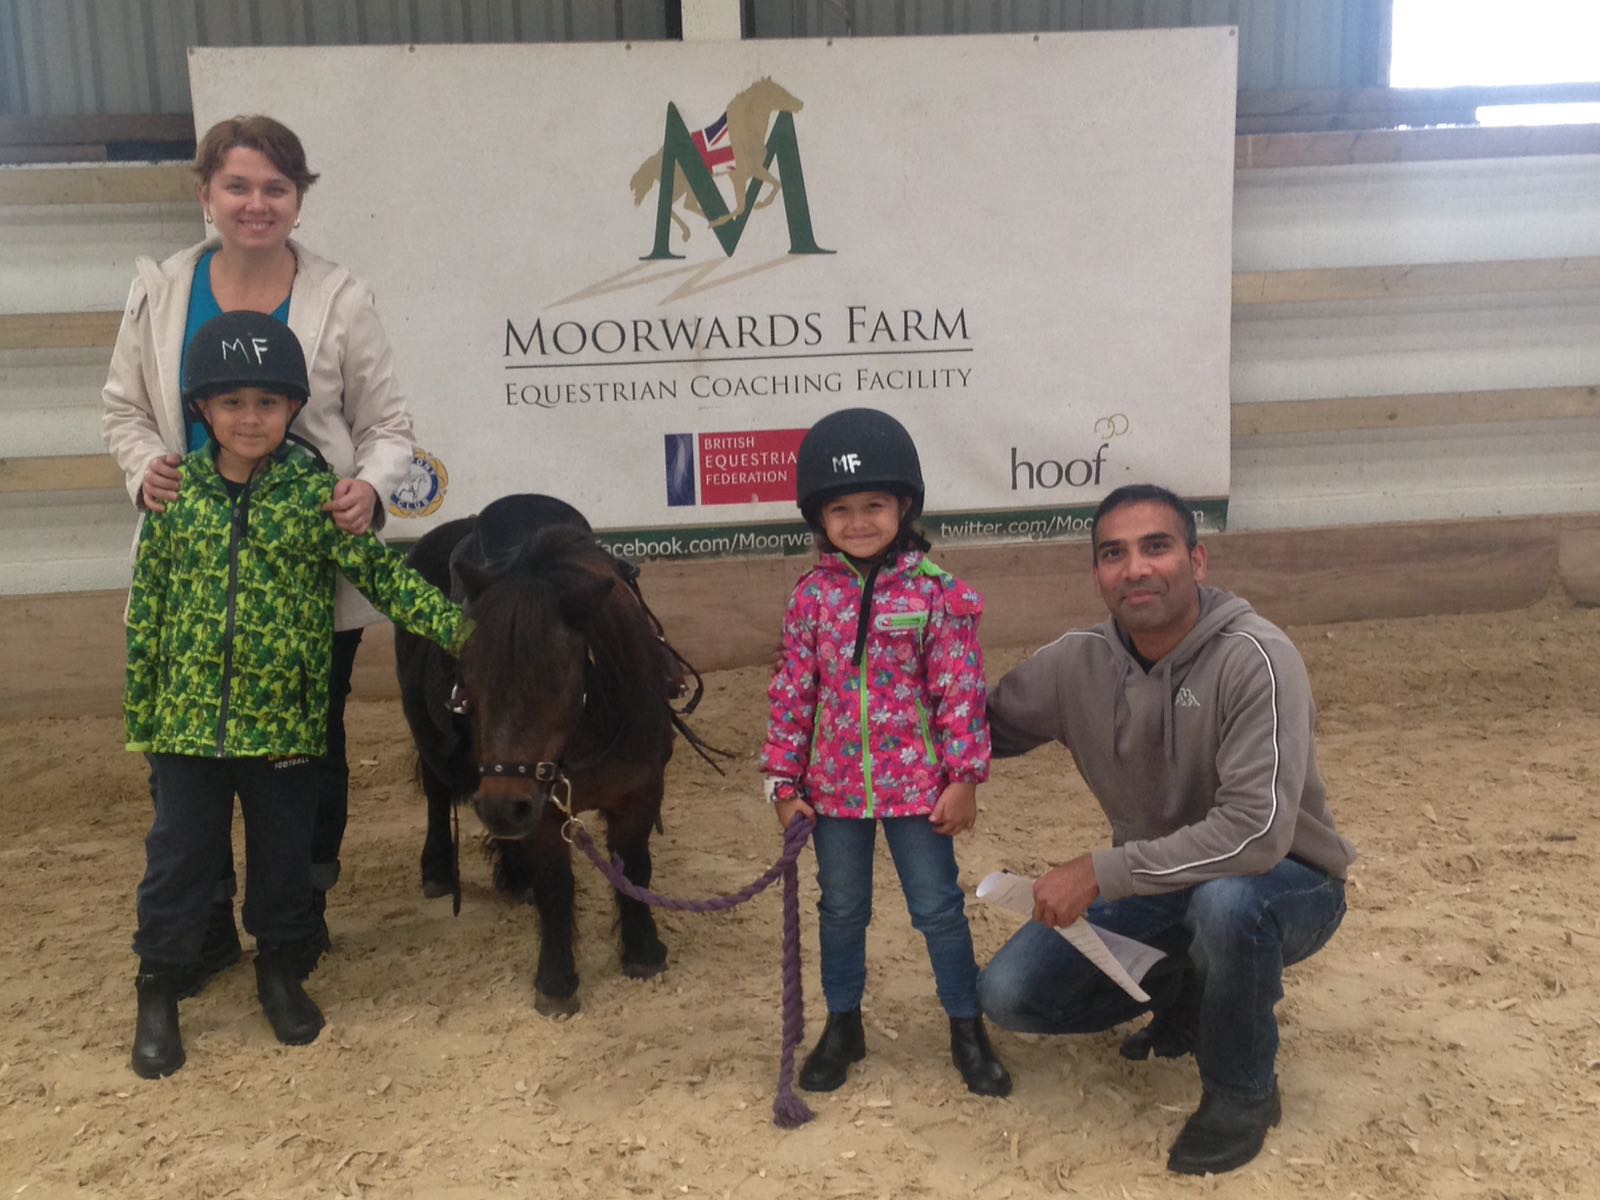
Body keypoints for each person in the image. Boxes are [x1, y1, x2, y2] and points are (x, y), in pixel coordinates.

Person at [102, 115, 416, 983]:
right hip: (191, 567)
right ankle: (201, 917)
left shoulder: (340, 299)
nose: (255, 204)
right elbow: (123, 409)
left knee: (307, 746)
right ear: (205, 194)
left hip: (303, 567)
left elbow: (386, 427)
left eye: (275, 188)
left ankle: (297, 914)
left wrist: (372, 487)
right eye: (237, 186)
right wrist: (144, 470)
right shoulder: (162, 291)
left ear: (299, 199)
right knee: (186, 752)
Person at [125, 311, 468, 1079]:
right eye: (231, 403)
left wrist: (464, 635)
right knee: (179, 858)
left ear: (291, 411)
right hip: (187, 731)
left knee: (282, 857)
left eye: (268, 404)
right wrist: (145, 711)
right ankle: (158, 987)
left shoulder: (316, 496)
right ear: (203, 410)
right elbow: (147, 607)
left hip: (283, 727)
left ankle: (279, 968)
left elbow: (382, 580)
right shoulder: (176, 498)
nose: (250, 419)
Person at [978, 484, 1356, 1174]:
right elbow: (976, 730)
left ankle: (1242, 1092)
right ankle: (1187, 988)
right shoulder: (1075, 663)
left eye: (1157, 546)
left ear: (1198, 560)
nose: (1136, 568)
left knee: (1228, 904)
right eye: (1113, 554)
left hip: (1285, 884)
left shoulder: (1257, 657)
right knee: (1010, 995)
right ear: (1097, 575)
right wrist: (872, 742)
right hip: (1160, 884)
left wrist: (1098, 872)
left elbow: (1256, 833)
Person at [762, 408, 1010, 1098]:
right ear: (821, 518)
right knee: (841, 908)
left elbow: (959, 690)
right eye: (841, 509)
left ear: (904, 506)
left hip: (918, 793)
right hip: (835, 792)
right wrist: (782, 781)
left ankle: (967, 1026)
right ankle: (844, 1024)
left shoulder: (934, 594)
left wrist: (964, 777)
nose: (859, 521)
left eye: (874, 505)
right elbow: (793, 691)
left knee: (937, 908)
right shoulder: (811, 597)